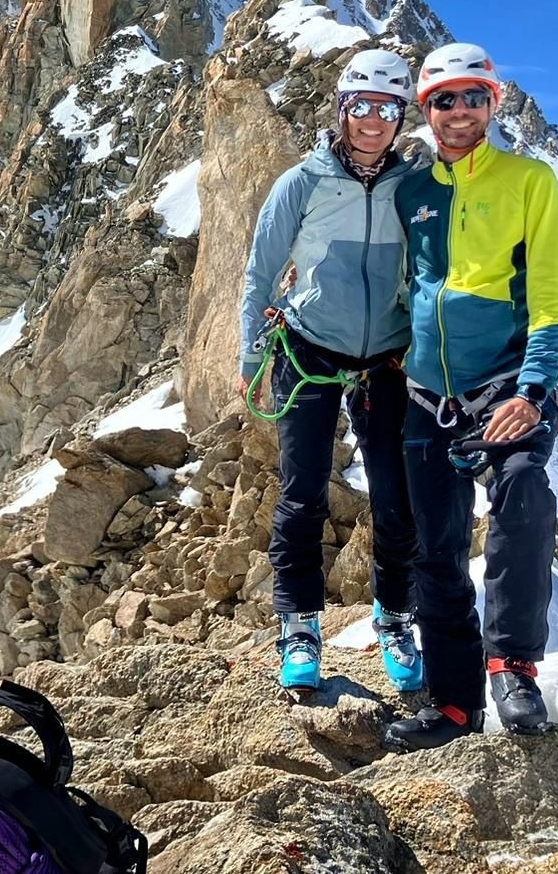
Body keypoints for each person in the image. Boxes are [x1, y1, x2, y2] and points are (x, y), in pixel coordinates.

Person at [382, 42, 558, 750]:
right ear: (425, 111)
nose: (459, 112)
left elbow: (554, 295)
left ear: (495, 103)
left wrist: (534, 389)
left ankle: (514, 666)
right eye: (443, 100)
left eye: (473, 98)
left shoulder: (531, 181)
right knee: (434, 549)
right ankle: (456, 704)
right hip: (428, 394)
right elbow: (402, 283)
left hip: (505, 387)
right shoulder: (412, 190)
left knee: (523, 491)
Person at [238, 49, 424, 693]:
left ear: (403, 117)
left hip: (387, 359)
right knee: (303, 490)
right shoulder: (303, 182)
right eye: (362, 106)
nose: (373, 121)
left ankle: (395, 617)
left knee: (395, 499)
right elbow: (261, 273)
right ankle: (298, 624)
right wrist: (250, 358)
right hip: (309, 349)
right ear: (342, 109)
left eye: (388, 109)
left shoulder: (414, 186)